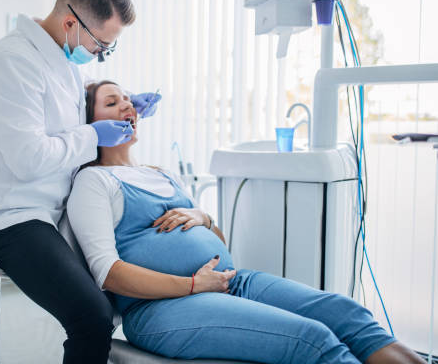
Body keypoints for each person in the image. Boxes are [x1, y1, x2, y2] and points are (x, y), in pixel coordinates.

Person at [67, 80, 425, 364]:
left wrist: (202, 216)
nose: (127, 105)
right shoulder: (94, 182)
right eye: (112, 102)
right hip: (161, 307)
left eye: (127, 99)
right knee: (313, 340)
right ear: (89, 125)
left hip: (232, 281)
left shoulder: (161, 174)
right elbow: (108, 273)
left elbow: (220, 242)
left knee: (347, 314)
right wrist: (192, 284)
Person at [0, 0, 161, 363]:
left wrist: (128, 103)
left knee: (118, 293)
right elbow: (29, 160)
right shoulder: (11, 62)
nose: (101, 53)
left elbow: (72, 117)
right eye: (101, 44)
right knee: (92, 315)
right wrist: (94, 135)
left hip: (51, 213)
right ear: (71, 22)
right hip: (9, 219)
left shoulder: (63, 61)